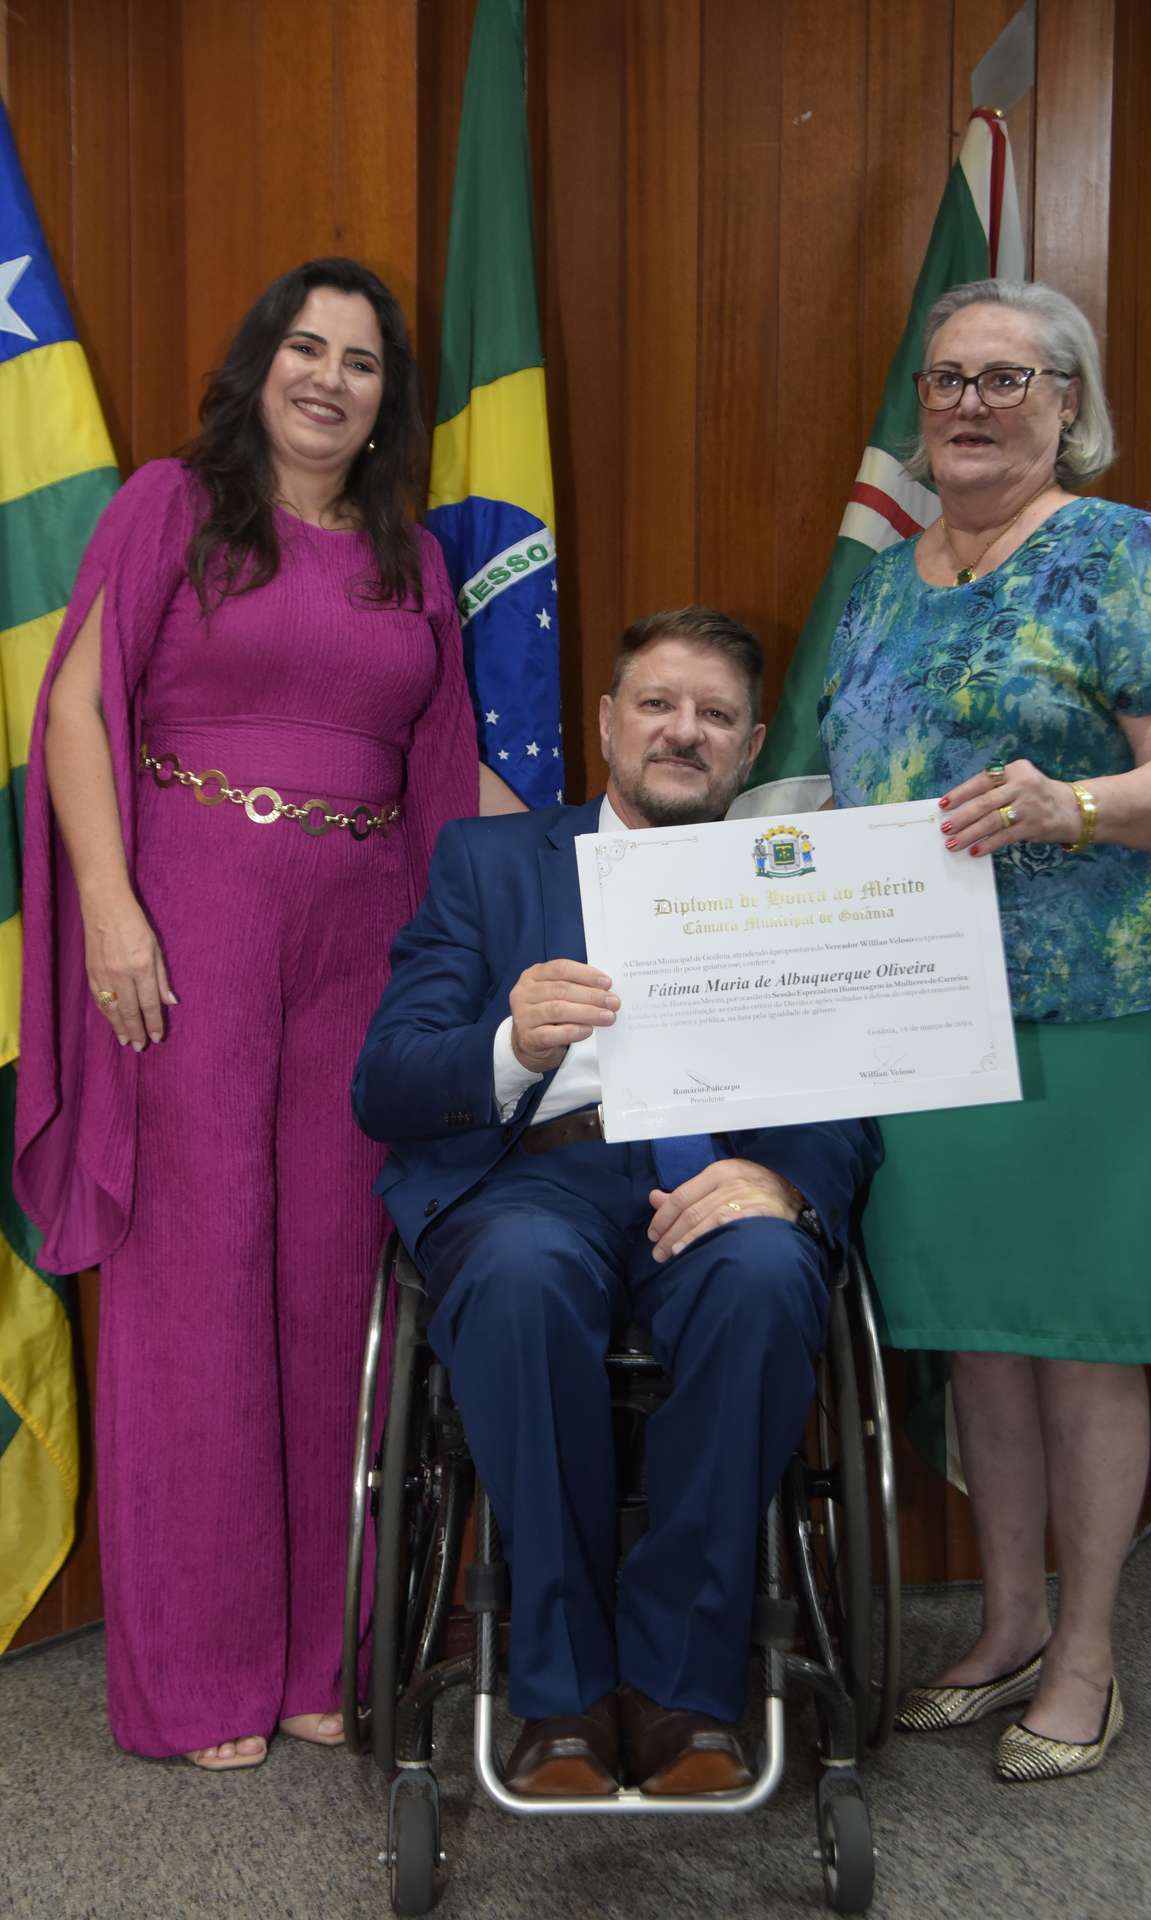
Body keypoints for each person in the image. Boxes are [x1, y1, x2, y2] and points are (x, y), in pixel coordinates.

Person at [15, 257, 520, 1770]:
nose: (329, 378)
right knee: (197, 1284)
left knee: (334, 1289)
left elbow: (450, 775)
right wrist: (110, 905)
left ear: (386, 401)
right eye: (307, 347)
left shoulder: (410, 557)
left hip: (364, 944)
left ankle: (321, 1654)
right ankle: (197, 1677)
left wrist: (622, 859)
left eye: (361, 362)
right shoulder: (170, 505)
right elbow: (73, 708)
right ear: (262, 365)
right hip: (190, 927)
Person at [819, 278, 1151, 1781]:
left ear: (1068, 403)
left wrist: (1076, 805)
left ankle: (1086, 1656)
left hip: (1099, 998)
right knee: (983, 1340)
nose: (970, 405)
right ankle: (1003, 1629)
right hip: (926, 1010)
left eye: (1007, 378)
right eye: (946, 379)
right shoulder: (885, 581)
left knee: (1079, 1341)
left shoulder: (1122, 554)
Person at [353, 608, 882, 1796]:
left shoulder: (795, 881)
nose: (683, 732)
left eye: (715, 715)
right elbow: (384, 1081)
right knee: (521, 1277)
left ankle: (681, 1686)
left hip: (717, 1169)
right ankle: (561, 1692)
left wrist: (784, 1181)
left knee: (765, 1273)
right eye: (657, 704)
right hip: (533, 1175)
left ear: (751, 747)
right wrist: (508, 1044)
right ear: (606, 722)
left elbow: (855, 1080)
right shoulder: (487, 863)